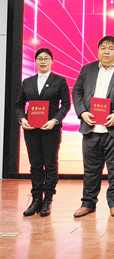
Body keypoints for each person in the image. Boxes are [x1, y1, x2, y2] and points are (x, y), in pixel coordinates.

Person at [71, 36, 114, 218]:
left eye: (111, 48)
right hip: (91, 127)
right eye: (103, 48)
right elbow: (77, 91)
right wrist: (82, 112)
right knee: (90, 169)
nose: (106, 52)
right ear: (98, 50)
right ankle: (88, 203)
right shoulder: (87, 69)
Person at [15, 48, 71, 217]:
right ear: (36, 61)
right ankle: (36, 199)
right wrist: (22, 119)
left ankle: (48, 199)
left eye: (46, 58)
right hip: (31, 129)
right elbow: (19, 105)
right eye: (40, 58)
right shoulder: (28, 82)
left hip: (51, 129)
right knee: (36, 165)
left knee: (50, 164)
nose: (43, 61)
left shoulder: (59, 81)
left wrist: (55, 120)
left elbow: (66, 104)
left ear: (52, 61)